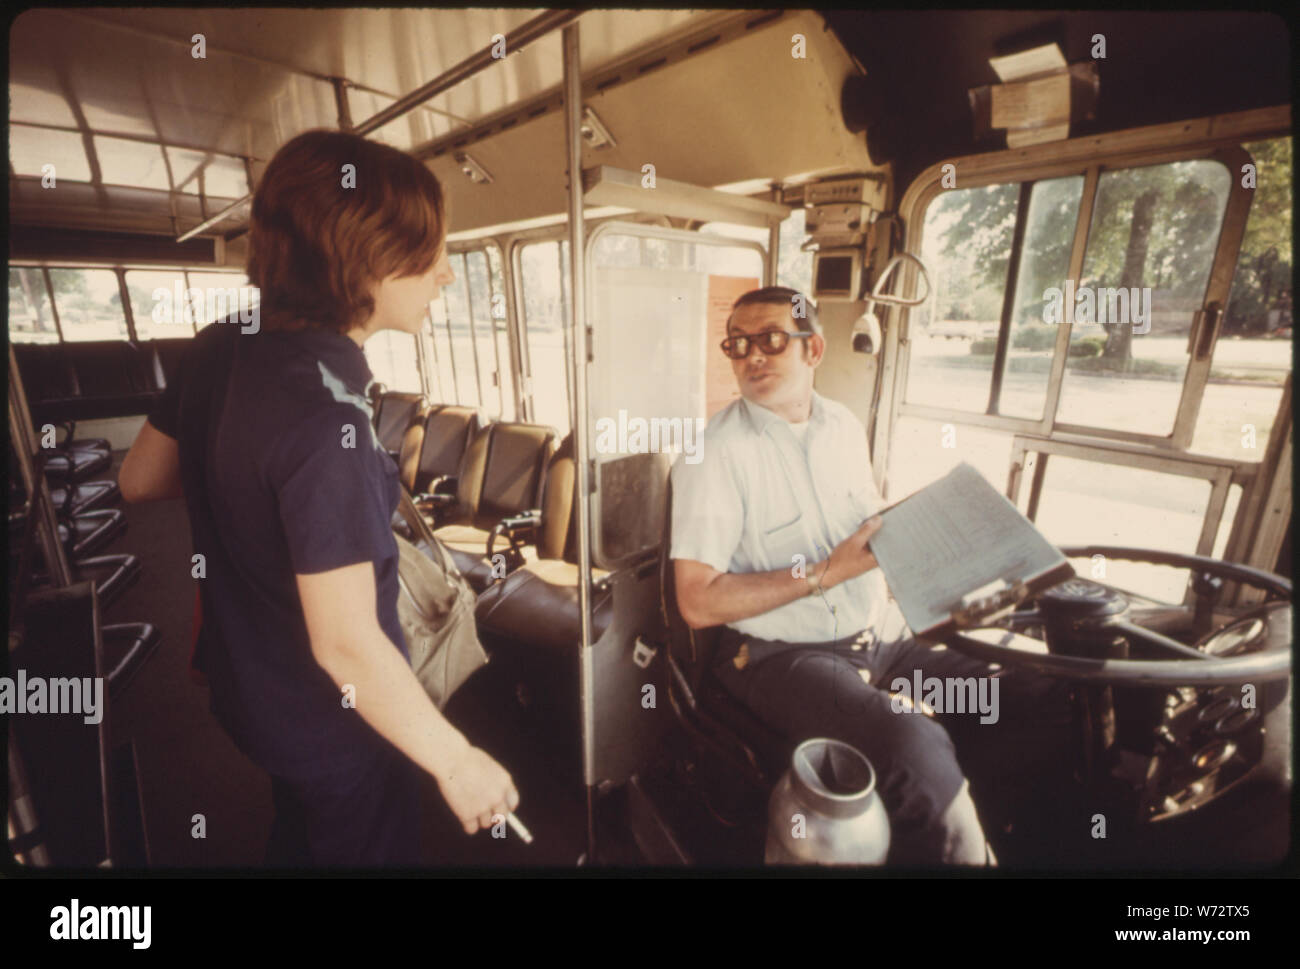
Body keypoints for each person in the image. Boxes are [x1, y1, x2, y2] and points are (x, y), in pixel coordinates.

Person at [119, 129, 518, 866]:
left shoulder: (219, 342)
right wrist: (457, 760)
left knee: (301, 832)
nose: (446, 278)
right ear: (366, 259)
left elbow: (138, 478)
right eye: (431, 254)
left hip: (251, 690)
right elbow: (345, 643)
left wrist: (252, 502)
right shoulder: (324, 416)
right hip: (338, 721)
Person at [669, 286, 1067, 865]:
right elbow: (697, 603)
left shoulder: (843, 427)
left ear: (814, 349)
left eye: (771, 339)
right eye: (738, 344)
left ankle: (978, 824)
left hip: (882, 633)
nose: (752, 356)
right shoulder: (714, 457)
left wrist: (963, 574)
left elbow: (872, 532)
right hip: (782, 655)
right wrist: (829, 572)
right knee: (913, 741)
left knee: (1035, 682)